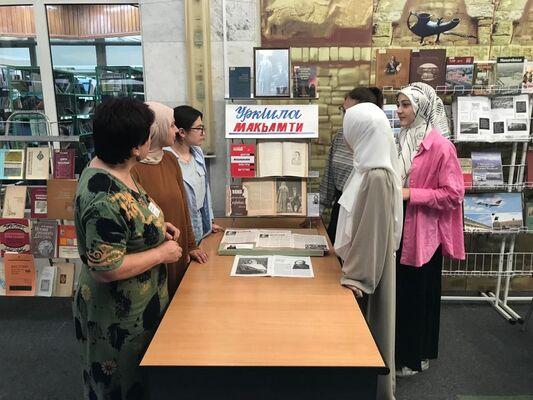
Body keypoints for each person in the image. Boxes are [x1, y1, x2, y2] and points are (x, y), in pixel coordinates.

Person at [73, 97, 183, 399]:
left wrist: (156, 228)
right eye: (148, 135)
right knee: (121, 385)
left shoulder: (119, 168)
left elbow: (131, 216)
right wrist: (160, 253)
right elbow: (106, 268)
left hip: (141, 306)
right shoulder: (103, 197)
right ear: (135, 147)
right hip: (117, 316)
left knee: (142, 381)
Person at [395, 82, 464, 377]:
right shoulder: (403, 138)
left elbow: (453, 194)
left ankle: (415, 357)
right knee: (403, 293)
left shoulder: (441, 147)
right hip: (400, 225)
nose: (399, 111)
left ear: (422, 107)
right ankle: (402, 352)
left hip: (423, 233)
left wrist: (412, 194)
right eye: (398, 104)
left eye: (405, 105)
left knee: (418, 295)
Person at [334, 102, 403, 400]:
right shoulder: (365, 167)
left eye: (350, 130)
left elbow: (371, 233)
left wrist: (356, 278)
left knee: (370, 336)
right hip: (360, 266)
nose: (346, 137)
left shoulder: (376, 176)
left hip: (366, 275)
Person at [131, 102, 205, 298]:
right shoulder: (133, 168)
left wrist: (191, 245)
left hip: (178, 250)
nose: (175, 130)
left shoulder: (170, 160)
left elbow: (183, 207)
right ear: (155, 129)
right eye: (171, 125)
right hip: (154, 256)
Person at [319, 86, 384, 241]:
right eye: (343, 111)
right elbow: (329, 179)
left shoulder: (379, 140)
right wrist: (317, 211)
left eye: (349, 112)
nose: (345, 117)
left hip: (365, 213)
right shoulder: (340, 136)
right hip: (340, 208)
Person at [165, 105, 223, 246]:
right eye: (199, 128)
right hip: (179, 229)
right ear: (182, 132)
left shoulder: (197, 153)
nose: (203, 133)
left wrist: (209, 222)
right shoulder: (166, 158)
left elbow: (205, 192)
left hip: (199, 225)